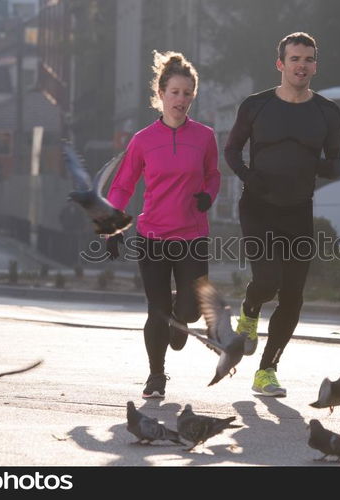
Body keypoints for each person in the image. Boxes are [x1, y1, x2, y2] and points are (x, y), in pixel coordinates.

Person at [224, 32, 340, 397]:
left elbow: (337, 159)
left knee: (293, 295)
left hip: (298, 210)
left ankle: (266, 371)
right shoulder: (255, 105)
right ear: (281, 64)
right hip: (258, 206)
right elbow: (231, 150)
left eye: (308, 59)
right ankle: (249, 312)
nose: (302, 65)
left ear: (315, 66)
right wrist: (249, 177)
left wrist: (325, 168)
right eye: (294, 58)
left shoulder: (327, 111)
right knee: (268, 280)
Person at [106, 51, 220, 399]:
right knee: (156, 311)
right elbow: (123, 184)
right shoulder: (142, 140)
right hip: (153, 235)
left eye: (187, 94)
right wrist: (111, 226)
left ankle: (180, 315)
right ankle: (157, 376)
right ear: (160, 93)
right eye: (175, 92)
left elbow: (213, 175)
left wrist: (208, 196)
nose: (181, 100)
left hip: (192, 236)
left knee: (188, 309)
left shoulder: (204, 136)